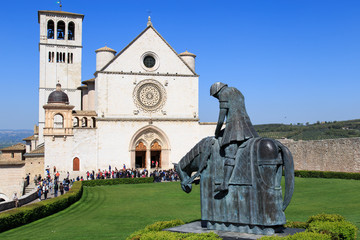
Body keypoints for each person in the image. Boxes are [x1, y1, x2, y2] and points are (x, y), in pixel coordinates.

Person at [210, 82, 258, 192]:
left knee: (229, 153)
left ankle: (225, 183)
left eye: (215, 96)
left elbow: (222, 117)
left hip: (234, 126)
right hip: (247, 125)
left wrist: (217, 132)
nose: (217, 98)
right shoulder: (237, 92)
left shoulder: (223, 93)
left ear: (217, 91)